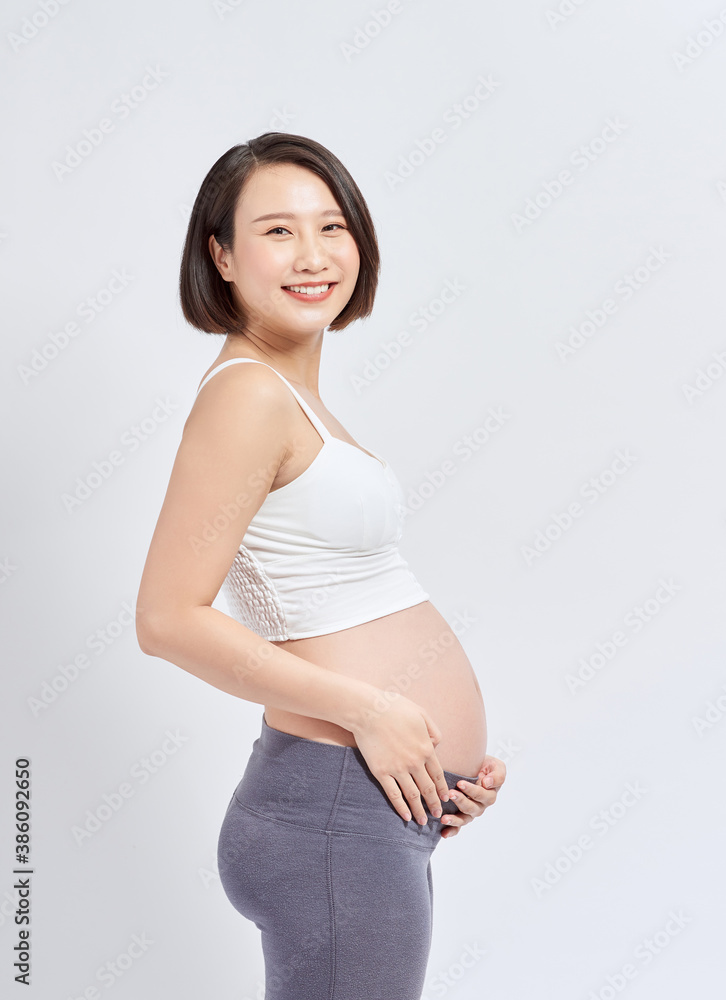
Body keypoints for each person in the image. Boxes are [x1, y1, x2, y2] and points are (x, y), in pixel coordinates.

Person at [135, 131, 506, 1000]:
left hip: (362, 808)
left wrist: (437, 769)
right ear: (220, 256)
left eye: (331, 226)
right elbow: (166, 618)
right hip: (332, 808)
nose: (312, 255)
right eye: (276, 232)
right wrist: (375, 711)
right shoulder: (249, 396)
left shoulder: (292, 396)